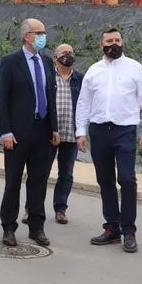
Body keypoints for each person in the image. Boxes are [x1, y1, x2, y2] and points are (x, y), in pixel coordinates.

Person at [75, 28, 142, 254]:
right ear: (102, 45)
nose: (114, 43)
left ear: (122, 42)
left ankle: (128, 230)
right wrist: (80, 131)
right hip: (99, 131)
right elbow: (83, 103)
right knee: (105, 180)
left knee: (127, 179)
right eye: (109, 40)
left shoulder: (134, 68)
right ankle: (112, 226)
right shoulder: (94, 71)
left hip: (125, 131)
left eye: (117, 40)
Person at [0, 18, 59, 248]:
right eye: (38, 32)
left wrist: (54, 128)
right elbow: (2, 100)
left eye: (44, 31)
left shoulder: (46, 62)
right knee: (13, 181)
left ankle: (36, 226)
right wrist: (5, 131)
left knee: (39, 181)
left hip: (42, 130)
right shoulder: (11, 62)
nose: (43, 36)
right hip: (17, 133)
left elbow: (50, 97)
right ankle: (9, 227)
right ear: (26, 36)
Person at [50, 43, 83, 224]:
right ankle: (31, 208)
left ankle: (60, 209)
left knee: (66, 174)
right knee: (39, 173)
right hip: (49, 134)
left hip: (71, 135)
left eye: (71, 52)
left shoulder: (80, 79)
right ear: (55, 58)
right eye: (64, 53)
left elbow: (85, 106)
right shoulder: (48, 77)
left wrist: (83, 133)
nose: (68, 55)